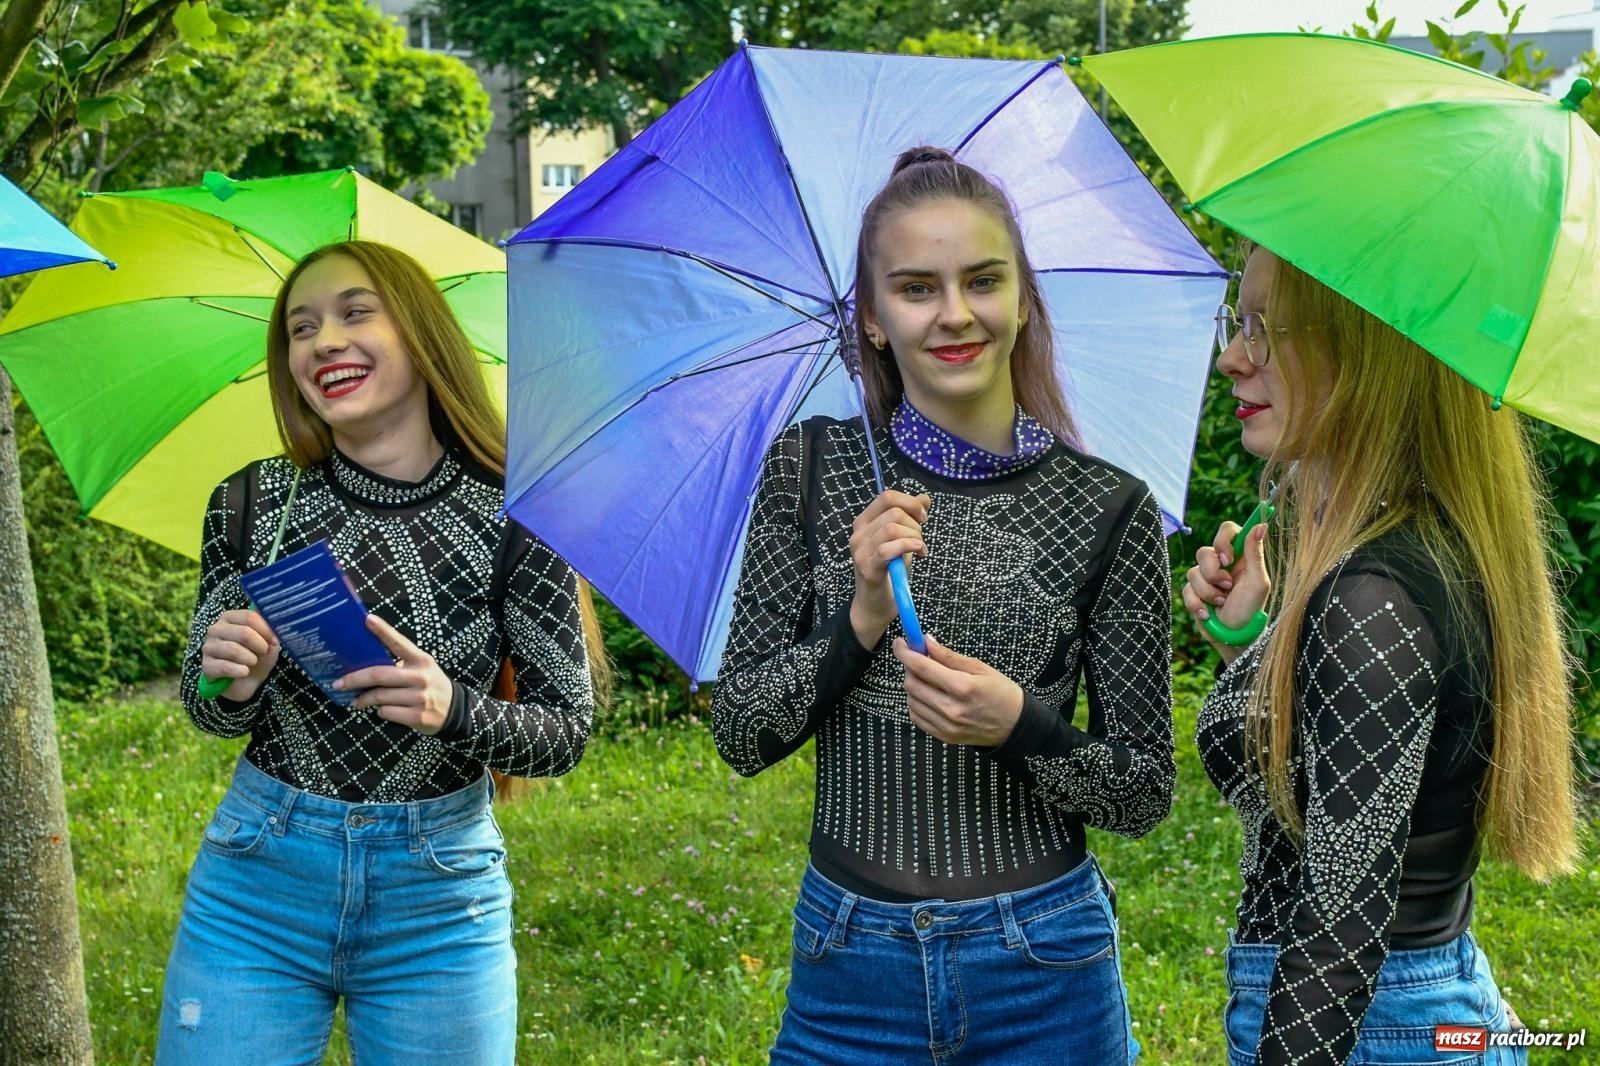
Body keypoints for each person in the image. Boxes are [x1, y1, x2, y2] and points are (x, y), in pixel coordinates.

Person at [711, 147, 1173, 1063]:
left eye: (983, 281)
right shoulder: (809, 467)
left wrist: (1020, 726)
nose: (955, 314)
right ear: (873, 320)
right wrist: (859, 620)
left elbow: (1141, 791)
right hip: (849, 968)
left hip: (1045, 968)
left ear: (1025, 298)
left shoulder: (1110, 506)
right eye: (916, 288)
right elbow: (742, 732)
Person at [156, 240, 605, 1065]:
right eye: (300, 328)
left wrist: (453, 708)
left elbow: (566, 732)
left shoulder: (521, 516)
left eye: (355, 313)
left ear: (422, 335)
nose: (323, 341)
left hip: (437, 898)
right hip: (258, 883)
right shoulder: (253, 502)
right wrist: (231, 681)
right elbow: (205, 706)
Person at [1183, 245, 1579, 1066]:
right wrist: (1246, 645)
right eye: (1237, 322)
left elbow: (1339, 931)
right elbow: (1321, 765)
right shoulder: (1390, 559)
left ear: (1363, 350)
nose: (1230, 357)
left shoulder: (1375, 596)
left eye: (1264, 329)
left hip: (1366, 1030)